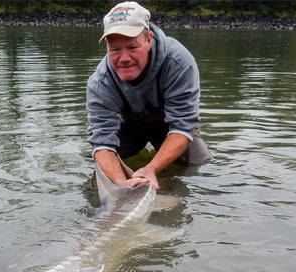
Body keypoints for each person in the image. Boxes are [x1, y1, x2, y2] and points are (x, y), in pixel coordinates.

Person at [86, 1, 211, 191]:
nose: (124, 58)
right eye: (115, 49)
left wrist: (151, 168)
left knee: (203, 167)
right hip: (129, 126)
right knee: (98, 178)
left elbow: (183, 126)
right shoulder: (100, 81)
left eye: (132, 47)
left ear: (149, 39)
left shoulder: (179, 62)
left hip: (172, 127)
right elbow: (102, 142)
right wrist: (121, 185)